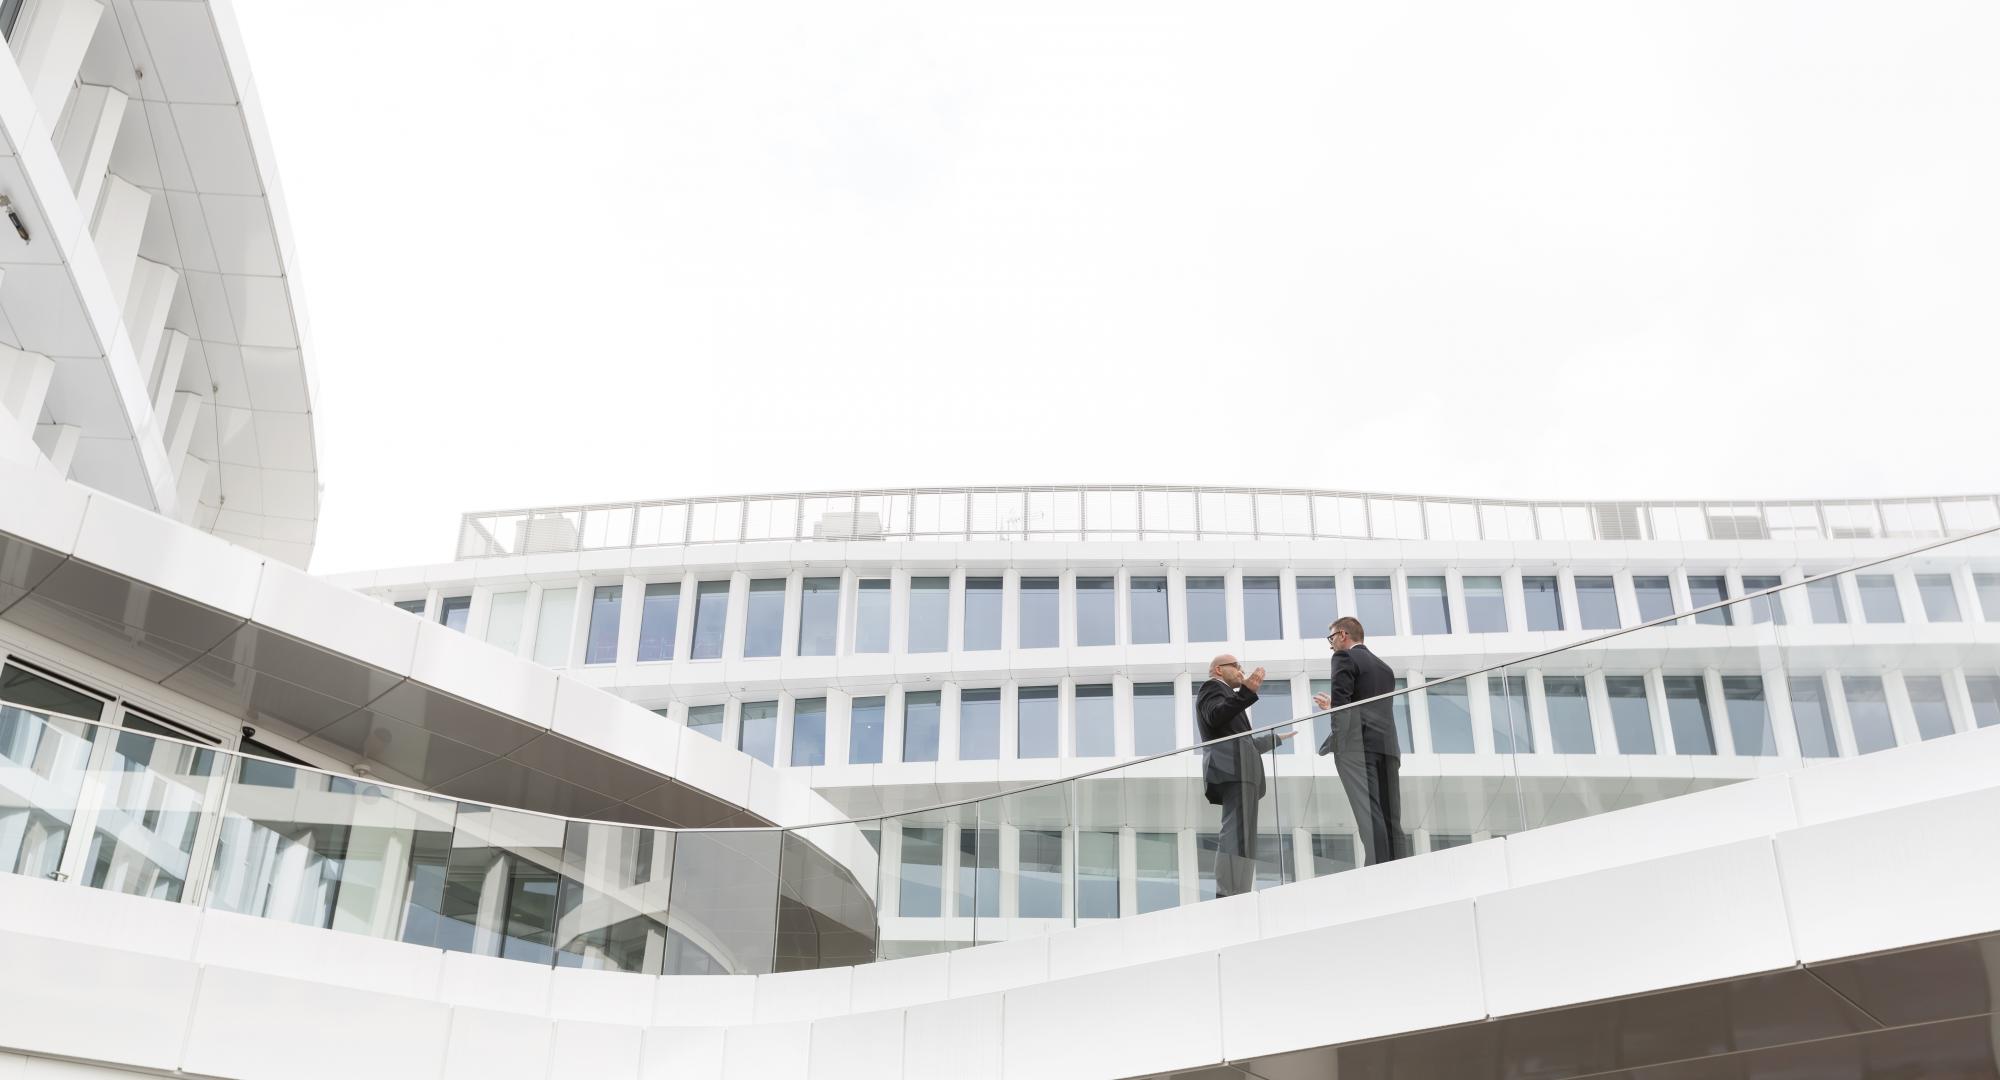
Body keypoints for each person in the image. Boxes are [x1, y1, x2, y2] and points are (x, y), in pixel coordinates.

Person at [1197, 654, 1293, 896]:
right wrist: (1246, 693)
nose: (1241, 671)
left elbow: (1243, 741)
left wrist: (1274, 739)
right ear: (1219, 670)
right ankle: (1227, 892)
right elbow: (1215, 716)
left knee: (1246, 836)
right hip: (1231, 769)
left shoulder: (1230, 695)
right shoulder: (1211, 688)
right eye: (1236, 666)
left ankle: (1239, 891)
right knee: (1234, 831)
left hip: (1243, 770)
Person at [1313, 617, 1405, 865]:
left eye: (1331, 638)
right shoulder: (1385, 668)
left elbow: (1343, 708)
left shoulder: (1343, 658)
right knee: (1390, 817)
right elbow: (1369, 706)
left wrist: (1340, 745)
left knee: (1369, 812)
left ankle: (1377, 870)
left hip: (1358, 749)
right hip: (1387, 747)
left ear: (1343, 635)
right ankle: (1399, 868)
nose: (1330, 645)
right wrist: (1334, 706)